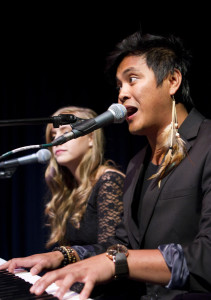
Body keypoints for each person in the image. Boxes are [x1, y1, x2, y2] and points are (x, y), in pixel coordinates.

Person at [2, 31, 211, 300]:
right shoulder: (137, 164)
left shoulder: (207, 144)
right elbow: (120, 246)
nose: (121, 95)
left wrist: (118, 263)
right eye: (119, 86)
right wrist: (61, 256)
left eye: (132, 79)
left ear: (172, 81)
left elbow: (206, 257)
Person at [0, 106, 125, 280]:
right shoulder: (68, 188)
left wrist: (61, 255)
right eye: (53, 136)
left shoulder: (109, 181)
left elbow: (114, 251)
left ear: (90, 138)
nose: (58, 140)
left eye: (66, 132)